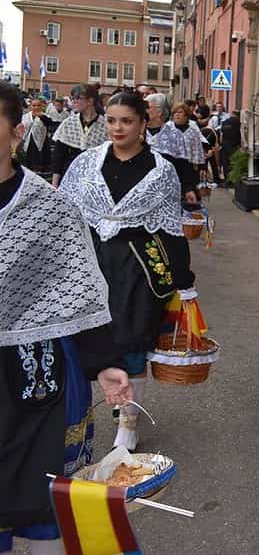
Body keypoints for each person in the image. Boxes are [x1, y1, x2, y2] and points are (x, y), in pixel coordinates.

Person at [0, 81, 133, 555]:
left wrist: (106, 362)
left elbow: (77, 288)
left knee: (42, 497)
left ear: (16, 132)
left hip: (35, 375)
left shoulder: (49, 207)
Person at [60, 91, 196, 452]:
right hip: (92, 261)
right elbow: (66, 212)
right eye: (111, 120)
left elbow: (170, 225)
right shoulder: (87, 163)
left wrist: (182, 275)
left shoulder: (161, 170)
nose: (118, 128)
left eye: (126, 121)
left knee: (133, 343)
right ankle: (81, 411)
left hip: (139, 265)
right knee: (88, 339)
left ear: (143, 124)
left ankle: (129, 421)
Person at [146, 96, 204, 207]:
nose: (144, 110)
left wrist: (188, 189)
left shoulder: (174, 135)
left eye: (147, 107)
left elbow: (182, 164)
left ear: (159, 112)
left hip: (165, 193)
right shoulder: (136, 132)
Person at [51, 84, 108, 187]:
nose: (74, 102)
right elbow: (58, 157)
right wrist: (54, 186)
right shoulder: (68, 123)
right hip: (68, 177)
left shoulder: (105, 125)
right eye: (73, 99)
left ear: (90, 101)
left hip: (93, 180)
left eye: (78, 98)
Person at [17, 97, 57, 180]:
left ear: (42, 106)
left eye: (38, 105)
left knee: (40, 167)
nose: (36, 107)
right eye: (34, 105)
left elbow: (50, 124)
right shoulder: (25, 117)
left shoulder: (45, 116)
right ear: (30, 106)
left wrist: (41, 116)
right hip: (27, 143)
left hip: (41, 145)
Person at [219, 108, 242, 183]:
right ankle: (233, 180)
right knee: (233, 163)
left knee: (225, 163)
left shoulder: (225, 122)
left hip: (225, 145)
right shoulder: (238, 122)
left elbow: (222, 133)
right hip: (234, 145)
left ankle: (227, 180)